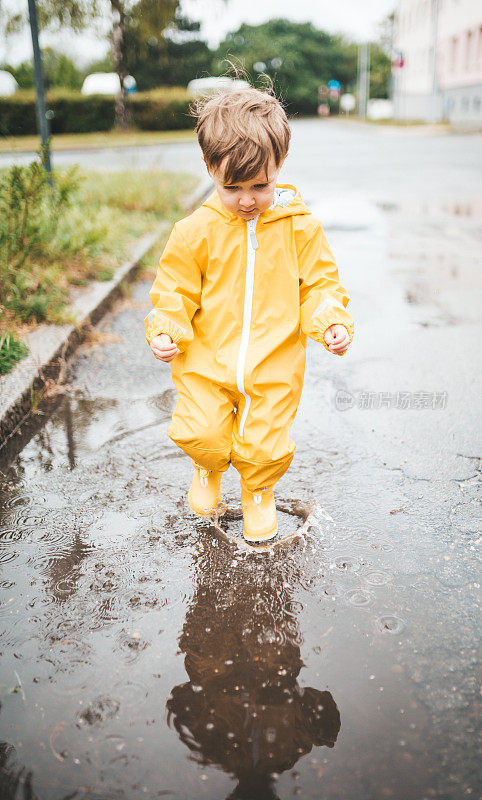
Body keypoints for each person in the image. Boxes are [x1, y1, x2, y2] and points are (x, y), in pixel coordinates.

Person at [145, 85, 354, 543]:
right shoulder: (194, 232)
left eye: (260, 186)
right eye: (231, 187)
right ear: (209, 170)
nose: (246, 200)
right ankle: (207, 467)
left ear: (280, 162)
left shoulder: (302, 228)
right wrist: (167, 327)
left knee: (265, 440)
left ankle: (257, 491)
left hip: (274, 360)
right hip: (204, 358)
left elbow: (320, 283)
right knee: (202, 429)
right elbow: (174, 288)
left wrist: (329, 321)